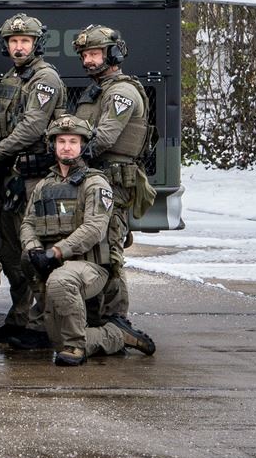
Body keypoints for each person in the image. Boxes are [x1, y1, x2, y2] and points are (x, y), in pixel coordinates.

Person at [22, 115, 156, 366]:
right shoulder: (44, 185)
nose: (66, 147)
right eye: (61, 141)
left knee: (62, 283)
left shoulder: (95, 183)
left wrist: (57, 252)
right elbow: (28, 223)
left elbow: (94, 228)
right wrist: (34, 248)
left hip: (90, 267)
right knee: (55, 340)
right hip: (56, 265)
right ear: (53, 145)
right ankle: (95, 335)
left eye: (73, 141)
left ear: (83, 146)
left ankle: (89, 343)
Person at [0, 13, 69, 349]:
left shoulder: (44, 79)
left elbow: (32, 127)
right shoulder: (12, 78)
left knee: (33, 251)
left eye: (24, 42)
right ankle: (18, 317)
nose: (18, 47)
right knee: (10, 252)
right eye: (14, 42)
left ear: (36, 44)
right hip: (10, 175)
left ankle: (40, 325)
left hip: (31, 177)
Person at [72, 24, 153, 323]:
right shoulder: (96, 91)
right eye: (85, 55)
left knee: (110, 250)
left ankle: (116, 319)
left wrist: (67, 156)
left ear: (114, 53)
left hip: (113, 180)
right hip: (94, 178)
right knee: (92, 249)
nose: (88, 61)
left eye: (94, 53)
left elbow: (103, 138)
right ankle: (95, 317)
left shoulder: (122, 92)